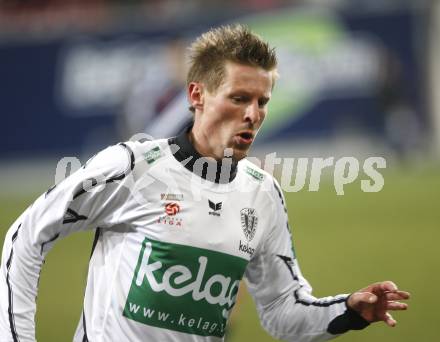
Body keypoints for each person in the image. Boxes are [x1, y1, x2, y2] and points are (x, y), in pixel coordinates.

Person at [0, 24, 409, 342]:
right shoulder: (133, 167)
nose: (253, 114)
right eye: (239, 98)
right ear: (197, 95)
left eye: (262, 102)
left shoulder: (262, 195)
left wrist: (351, 311)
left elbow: (284, 310)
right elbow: (26, 235)